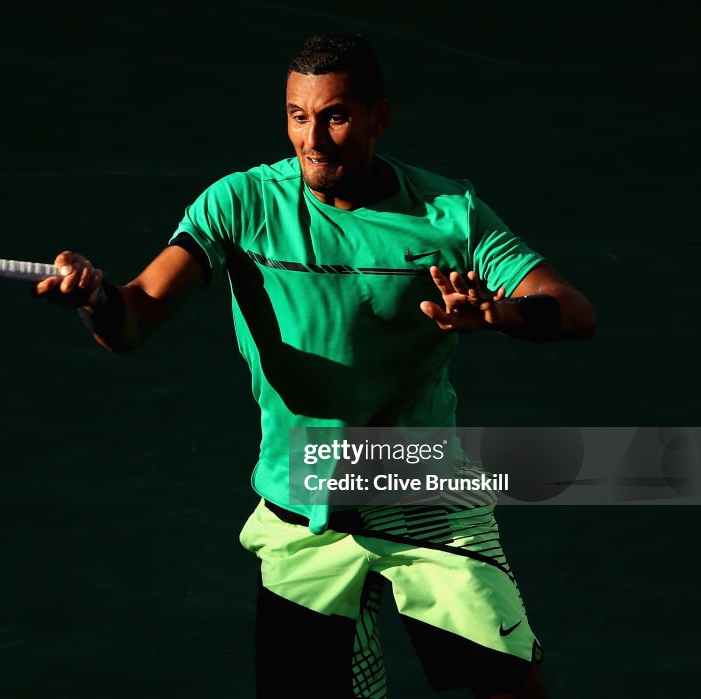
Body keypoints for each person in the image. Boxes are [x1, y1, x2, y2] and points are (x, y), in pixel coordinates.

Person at [36, 33, 595, 699]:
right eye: (298, 116)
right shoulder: (238, 206)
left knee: (513, 691)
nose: (314, 138)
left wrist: (496, 315)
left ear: (378, 118)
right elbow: (132, 319)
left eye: (335, 115)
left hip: (421, 494)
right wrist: (95, 297)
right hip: (302, 506)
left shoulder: (449, 213)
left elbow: (570, 308)